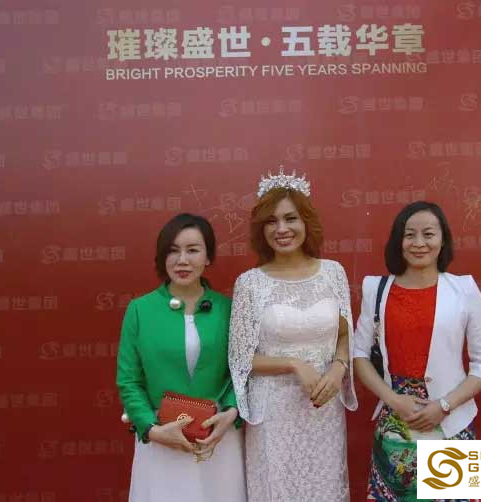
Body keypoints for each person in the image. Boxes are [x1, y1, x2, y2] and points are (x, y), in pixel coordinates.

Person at [353, 201, 481, 501]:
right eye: (410, 235)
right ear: (399, 241)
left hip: (451, 421)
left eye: (428, 234)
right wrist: (394, 400)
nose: (419, 243)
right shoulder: (376, 289)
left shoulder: (464, 290)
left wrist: (443, 406)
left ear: (443, 240)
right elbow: (359, 356)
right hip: (396, 424)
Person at [229, 169, 357, 502]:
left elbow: (345, 335)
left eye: (290, 218)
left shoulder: (333, 273)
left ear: (306, 222)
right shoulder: (250, 283)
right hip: (273, 414)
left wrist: (339, 368)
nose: (282, 229)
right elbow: (241, 359)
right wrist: (294, 364)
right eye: (271, 221)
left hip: (323, 408)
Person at [116, 213, 246, 502]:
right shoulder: (140, 310)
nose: (182, 260)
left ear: (208, 257)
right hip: (161, 438)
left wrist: (231, 412)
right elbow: (129, 380)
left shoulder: (228, 309)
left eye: (193, 250)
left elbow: (241, 371)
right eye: (173, 251)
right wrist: (152, 430)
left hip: (216, 438)